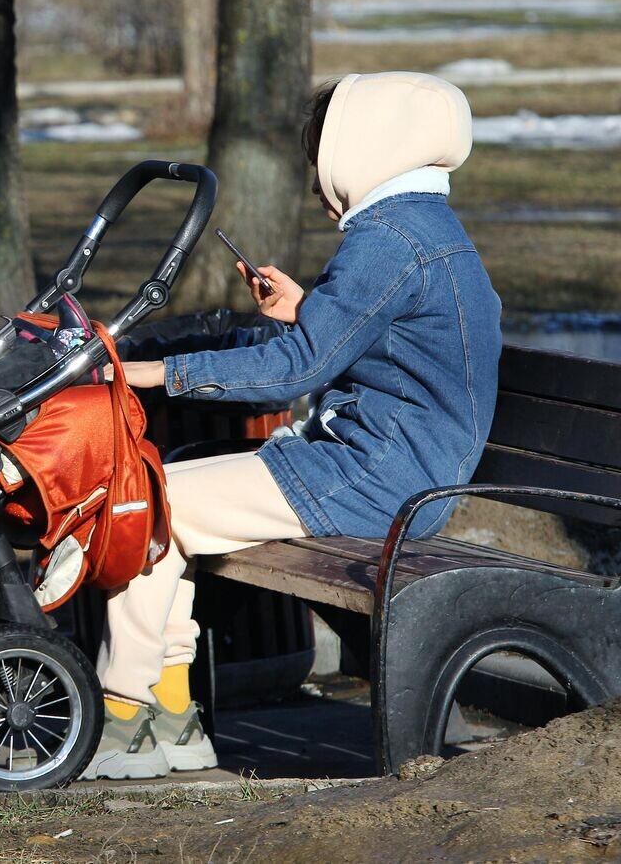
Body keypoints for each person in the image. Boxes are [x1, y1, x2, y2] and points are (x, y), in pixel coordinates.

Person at [79, 71, 503, 780]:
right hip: (400, 470)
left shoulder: (388, 241)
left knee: (146, 500)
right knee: (162, 495)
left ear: (366, 148)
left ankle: (126, 717)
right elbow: (387, 346)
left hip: (378, 479)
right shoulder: (427, 231)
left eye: (322, 161)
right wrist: (312, 310)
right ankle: (171, 713)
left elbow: (293, 372)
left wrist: (150, 371)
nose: (316, 185)